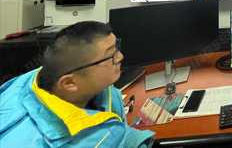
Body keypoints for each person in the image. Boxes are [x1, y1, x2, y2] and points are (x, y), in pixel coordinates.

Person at [0, 21, 154, 147]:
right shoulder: (27, 142)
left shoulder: (85, 83)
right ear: (69, 83)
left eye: (116, 48)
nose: (120, 57)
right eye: (111, 55)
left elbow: (116, 134)